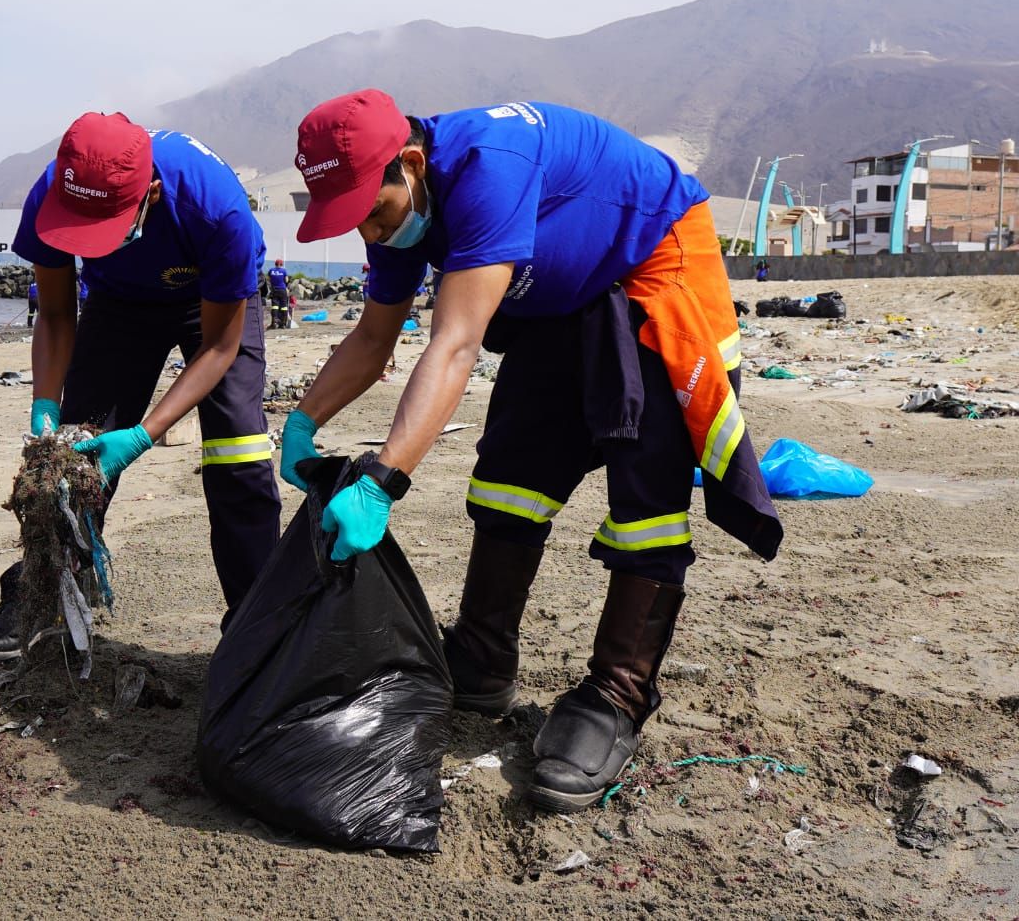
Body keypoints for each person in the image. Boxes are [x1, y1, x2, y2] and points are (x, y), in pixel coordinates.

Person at [281, 91, 782, 811]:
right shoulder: (397, 210)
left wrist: (383, 478)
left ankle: (617, 692)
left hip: (654, 258)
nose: (367, 228)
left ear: (412, 165)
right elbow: (373, 338)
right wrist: (302, 422)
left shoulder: (489, 170)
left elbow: (453, 345)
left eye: (372, 210)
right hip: (558, 291)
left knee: (649, 483)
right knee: (513, 467)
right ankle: (482, 657)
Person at [0, 113, 281, 665]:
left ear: (150, 196)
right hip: (119, 305)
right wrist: (45, 403)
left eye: (101, 229)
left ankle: (260, 623)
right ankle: (42, 596)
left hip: (212, 300)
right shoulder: (52, 193)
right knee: (71, 458)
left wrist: (144, 435)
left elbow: (219, 349)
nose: (90, 240)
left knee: (238, 451)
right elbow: (59, 313)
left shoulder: (217, 208)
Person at [266, 258, 291, 329]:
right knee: (284, 306)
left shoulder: (271, 271)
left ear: (275, 264)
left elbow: (268, 279)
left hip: (274, 290)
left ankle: (274, 322)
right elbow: (286, 280)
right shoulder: (283, 271)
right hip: (282, 290)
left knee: (274, 306)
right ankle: (283, 324)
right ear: (281, 264)